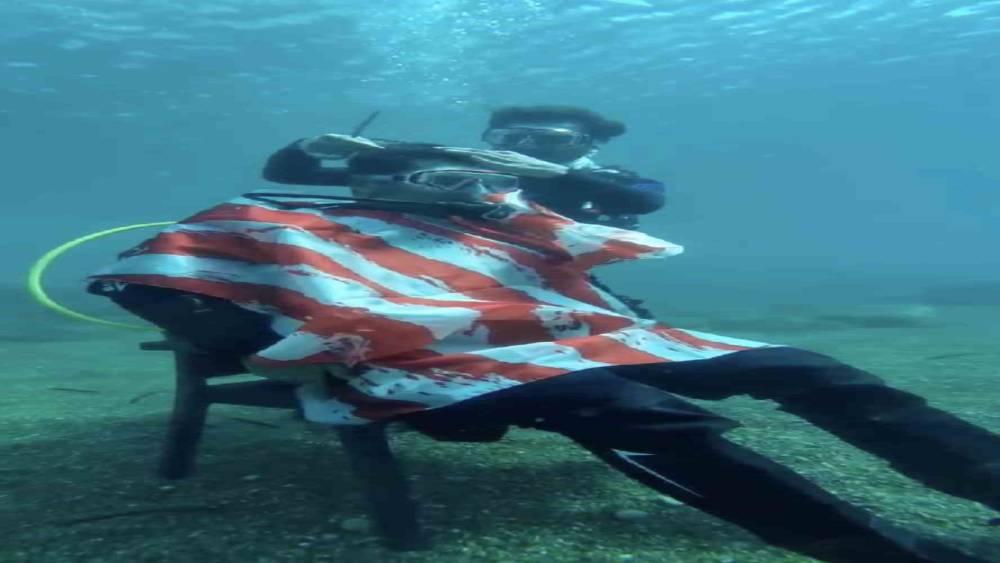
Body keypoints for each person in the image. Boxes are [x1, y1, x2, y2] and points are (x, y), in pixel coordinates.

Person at [87, 146, 998, 563]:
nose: (437, 183)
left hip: (584, 335)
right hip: (426, 364)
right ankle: (884, 551)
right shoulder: (253, 215)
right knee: (637, 416)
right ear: (362, 169)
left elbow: (622, 221)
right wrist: (265, 346)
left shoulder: (492, 222)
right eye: (406, 170)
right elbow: (150, 279)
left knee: (810, 368)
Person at [261, 105, 665, 229]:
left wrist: (558, 175)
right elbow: (287, 175)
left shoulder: (602, 180)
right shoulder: (462, 170)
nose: (526, 147)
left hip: (539, 276)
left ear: (588, 145)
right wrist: (310, 147)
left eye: (550, 139)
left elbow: (646, 200)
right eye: (510, 138)